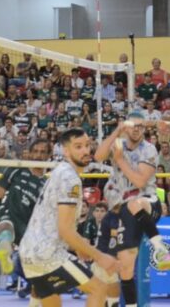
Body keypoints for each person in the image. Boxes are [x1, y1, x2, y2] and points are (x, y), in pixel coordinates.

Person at [18, 128, 118, 307]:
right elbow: (65, 230)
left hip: (29, 252)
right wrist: (99, 256)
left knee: (52, 301)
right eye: (78, 147)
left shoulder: (60, 171)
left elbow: (59, 223)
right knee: (99, 289)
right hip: (48, 253)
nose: (85, 151)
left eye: (87, 145)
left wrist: (78, 248)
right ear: (65, 151)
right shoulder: (70, 178)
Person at [94, 112, 170, 307]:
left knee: (134, 203)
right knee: (124, 268)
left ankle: (160, 248)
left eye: (140, 126)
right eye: (133, 126)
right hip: (123, 211)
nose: (137, 129)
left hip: (148, 203)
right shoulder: (118, 143)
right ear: (126, 128)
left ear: (144, 129)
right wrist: (117, 130)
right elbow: (98, 156)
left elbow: (139, 182)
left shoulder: (149, 149)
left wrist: (120, 160)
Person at [0, 139, 50, 275]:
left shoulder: (46, 184)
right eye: (35, 151)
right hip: (9, 211)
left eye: (43, 152)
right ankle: (4, 248)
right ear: (29, 153)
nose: (38, 155)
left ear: (48, 156)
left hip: (27, 223)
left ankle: (15, 264)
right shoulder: (16, 169)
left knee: (32, 260)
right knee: (6, 228)